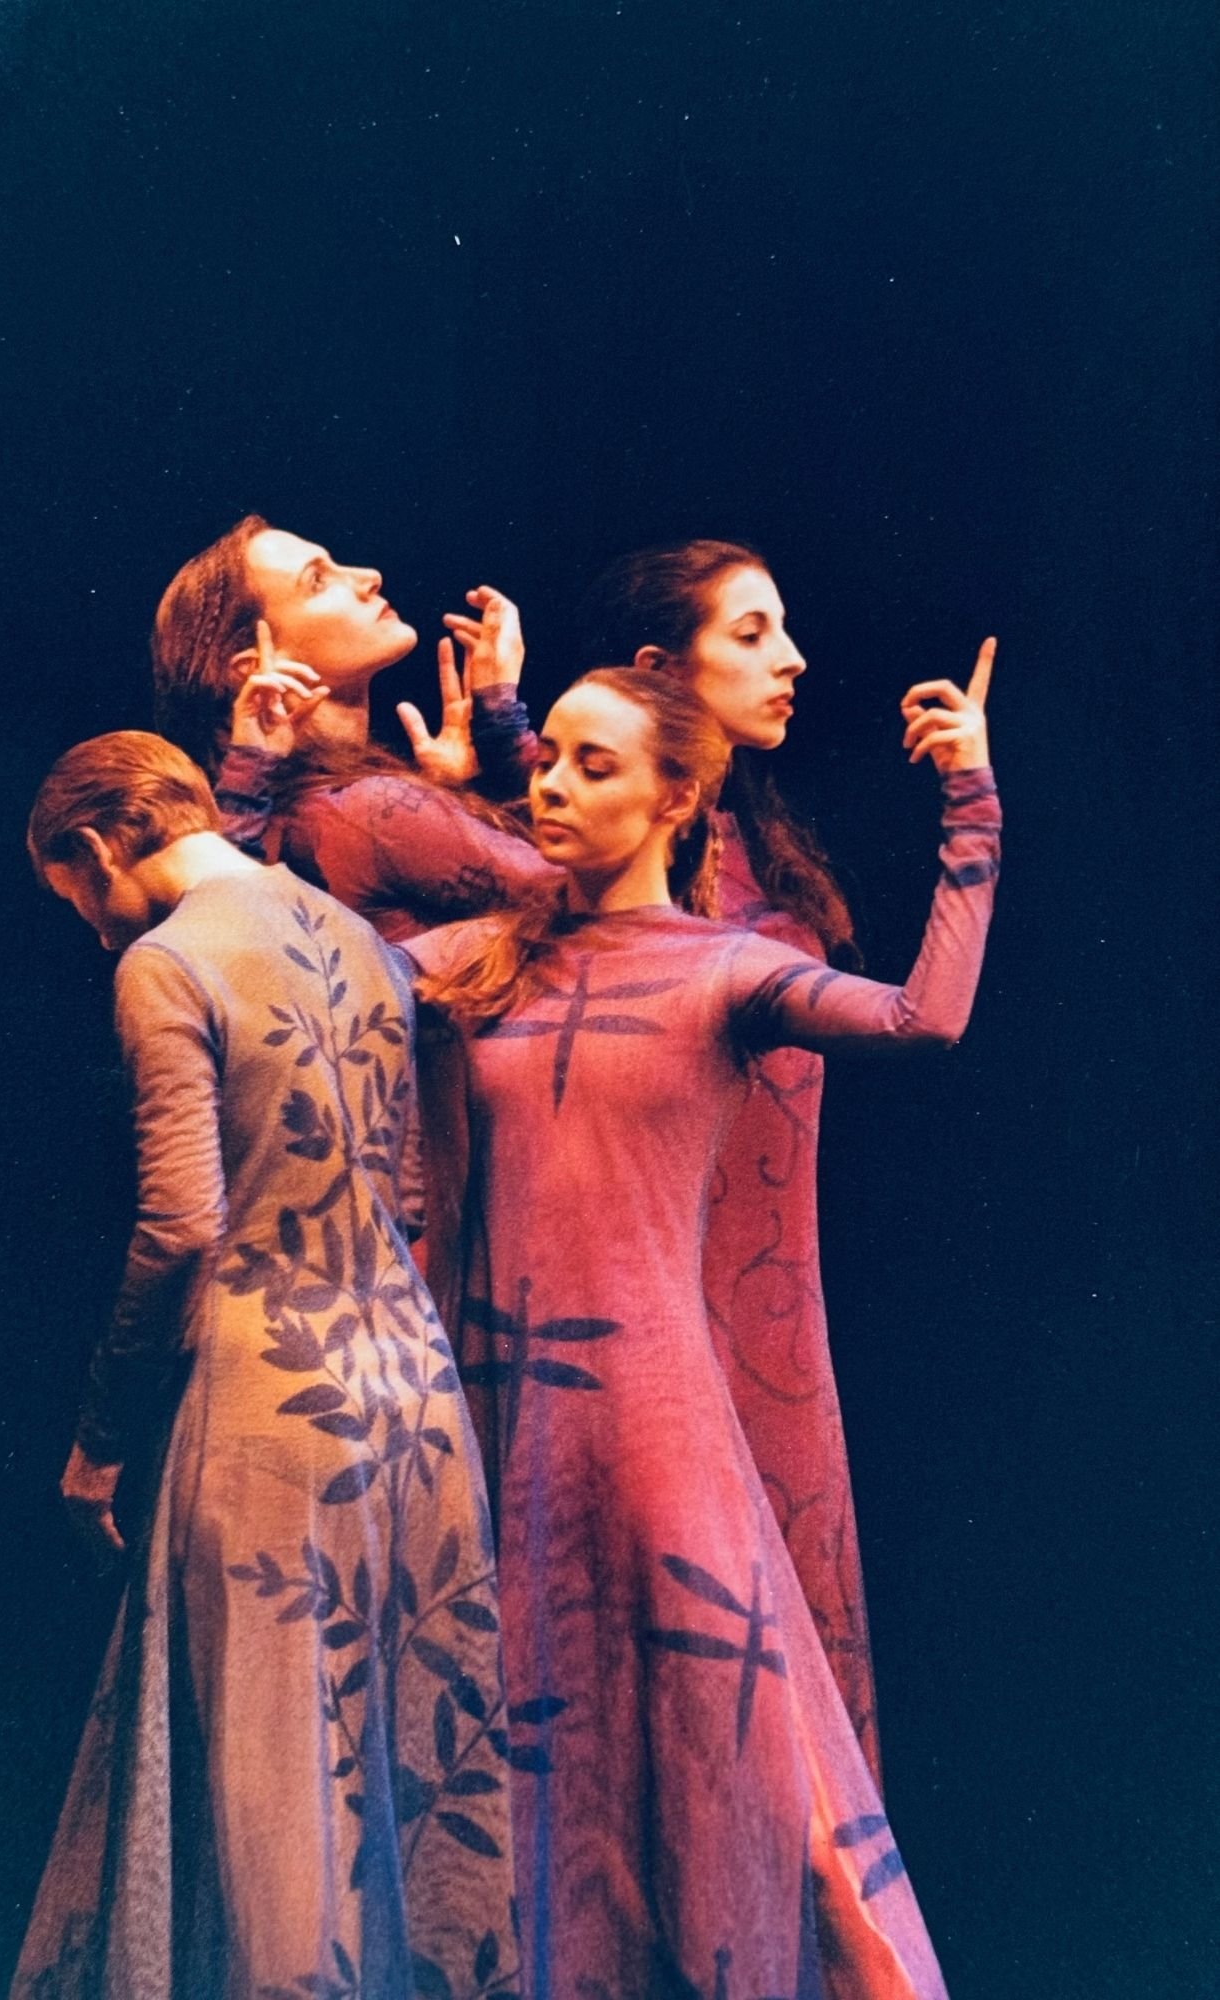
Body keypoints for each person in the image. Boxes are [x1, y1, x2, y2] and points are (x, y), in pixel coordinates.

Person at [403, 666, 1000, 1999]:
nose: (553, 786)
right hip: (505, 1425)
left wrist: (971, 802)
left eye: (593, 765)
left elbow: (924, 1019)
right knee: (536, 1781)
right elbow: (303, 971)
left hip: (653, 1425)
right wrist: (258, 781)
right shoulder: (482, 954)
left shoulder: (727, 967)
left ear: (678, 796)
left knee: (760, 1763)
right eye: (547, 757)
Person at [470, 540, 994, 1782]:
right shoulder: (609, 872)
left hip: (764, 1306)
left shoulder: (748, 850)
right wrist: (501, 730)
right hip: (638, 1322)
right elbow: (549, 880)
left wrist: (972, 795)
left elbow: (915, 1019)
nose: (792, 658)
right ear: (662, 668)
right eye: (751, 632)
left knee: (765, 1682)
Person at [12, 733, 520, 2000]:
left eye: (73, 894)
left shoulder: (166, 960)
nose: (89, 923)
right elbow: (408, 1190)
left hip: (270, 1398)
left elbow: (182, 1225)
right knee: (403, 1782)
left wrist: (100, 1437)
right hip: (412, 1389)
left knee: (275, 1792)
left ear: (97, 847)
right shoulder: (360, 940)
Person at [151, 515, 556, 942]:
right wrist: (504, 728)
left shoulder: (299, 815)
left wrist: (455, 793)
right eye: (317, 581)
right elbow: (596, 897)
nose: (369, 576)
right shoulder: (368, 810)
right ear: (256, 666)